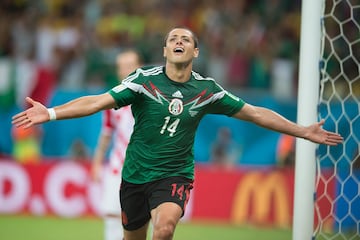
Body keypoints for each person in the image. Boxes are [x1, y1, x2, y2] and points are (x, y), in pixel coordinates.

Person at [12, 27, 344, 240]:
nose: (179, 41)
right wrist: (51, 113)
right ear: (166, 51)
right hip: (135, 176)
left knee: (166, 227)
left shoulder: (207, 90)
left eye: (186, 38)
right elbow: (97, 102)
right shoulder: (144, 81)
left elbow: (255, 113)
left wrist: (303, 131)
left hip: (174, 175)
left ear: (195, 52)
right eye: (173, 39)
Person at [91, 49, 142, 240]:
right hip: (117, 166)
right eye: (122, 67)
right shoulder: (112, 100)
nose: (126, 70)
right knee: (112, 214)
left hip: (143, 169)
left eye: (130, 66)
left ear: (140, 68)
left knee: (140, 220)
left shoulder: (151, 99)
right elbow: (106, 135)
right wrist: (96, 163)